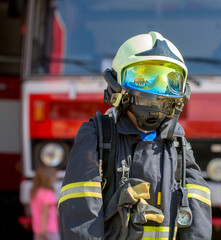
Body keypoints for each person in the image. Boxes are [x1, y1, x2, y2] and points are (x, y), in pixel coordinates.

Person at [58, 31, 212, 239]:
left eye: (169, 81)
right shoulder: (97, 137)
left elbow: (198, 225)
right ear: (117, 85)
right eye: (142, 79)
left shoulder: (177, 145)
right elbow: (80, 219)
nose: (156, 91)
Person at [30, 166, 59, 240]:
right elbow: (45, 212)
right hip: (49, 229)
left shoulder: (36, 192)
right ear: (48, 178)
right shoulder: (48, 193)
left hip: (38, 229)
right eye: (54, 176)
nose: (55, 178)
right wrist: (43, 229)